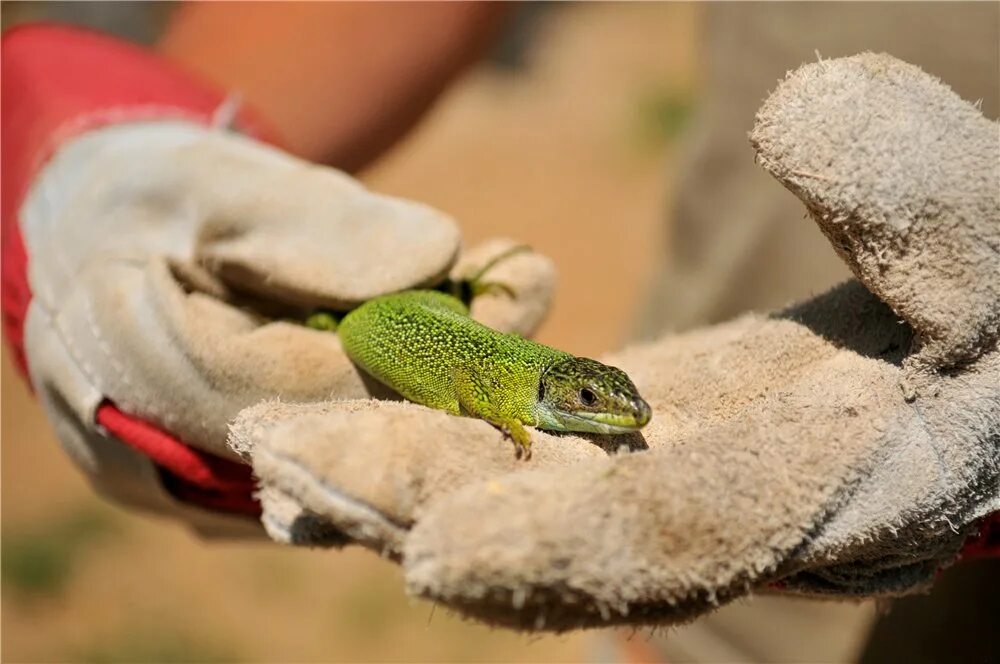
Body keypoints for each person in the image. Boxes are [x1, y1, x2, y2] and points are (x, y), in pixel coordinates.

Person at [3, 4, 997, 662]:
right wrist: (132, 144)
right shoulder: (512, 379)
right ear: (563, 387)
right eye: (590, 399)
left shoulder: (532, 388)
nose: (606, 412)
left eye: (599, 404)